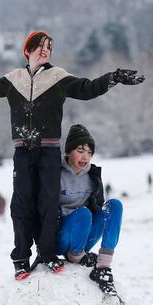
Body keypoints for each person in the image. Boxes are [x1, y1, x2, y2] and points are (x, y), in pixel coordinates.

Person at [0, 30, 144, 279]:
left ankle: (46, 254)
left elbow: (87, 88)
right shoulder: (13, 80)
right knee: (21, 203)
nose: (45, 50)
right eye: (40, 46)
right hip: (23, 152)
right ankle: (21, 258)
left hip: (49, 151)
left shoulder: (58, 77)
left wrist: (114, 77)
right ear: (28, 51)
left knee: (48, 203)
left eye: (49, 46)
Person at [55, 124, 123, 295]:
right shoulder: (55, 172)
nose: (85, 156)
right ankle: (75, 256)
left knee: (114, 205)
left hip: (84, 234)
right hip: (61, 237)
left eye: (89, 152)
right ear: (69, 151)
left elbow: (98, 207)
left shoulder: (92, 176)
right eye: (80, 150)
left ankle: (103, 266)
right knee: (83, 213)